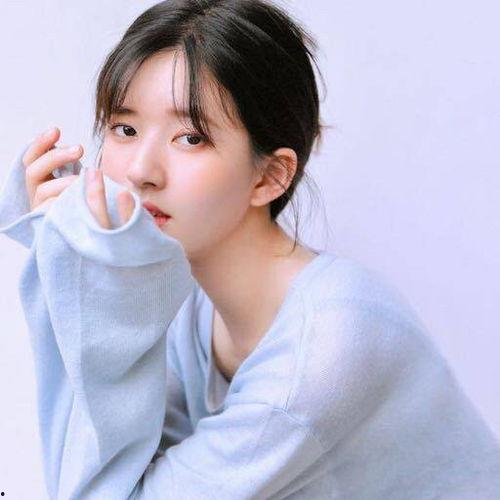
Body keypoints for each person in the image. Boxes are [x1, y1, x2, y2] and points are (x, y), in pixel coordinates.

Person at [1, 1, 500, 498]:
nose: (140, 171)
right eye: (125, 130)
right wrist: (64, 256)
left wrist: (85, 276)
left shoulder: (324, 347)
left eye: (190, 138)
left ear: (269, 176)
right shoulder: (184, 303)